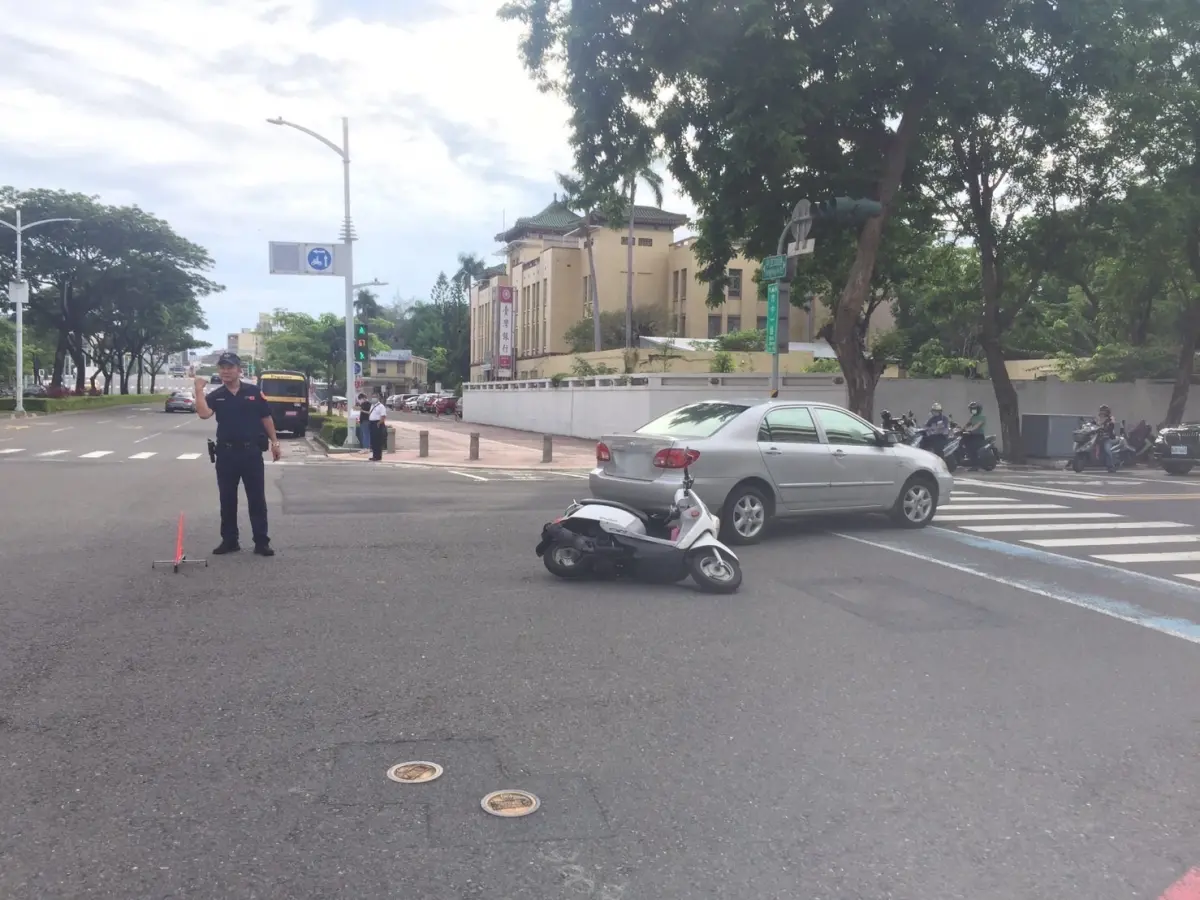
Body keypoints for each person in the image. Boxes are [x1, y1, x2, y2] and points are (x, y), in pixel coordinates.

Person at [193, 352, 281, 557]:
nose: (225, 371)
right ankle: (230, 540)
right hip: (226, 454)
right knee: (227, 499)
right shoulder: (217, 395)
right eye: (222, 367)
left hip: (251, 453)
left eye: (230, 367)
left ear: (239, 370)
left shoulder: (253, 392)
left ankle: (261, 541)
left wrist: (275, 442)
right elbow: (204, 414)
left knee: (256, 499)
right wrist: (198, 390)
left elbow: (266, 417)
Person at [960, 401, 986, 468]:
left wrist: (970, 430)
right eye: (971, 409)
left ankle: (975, 466)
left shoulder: (982, 417)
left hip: (978, 436)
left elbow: (977, 425)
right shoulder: (973, 417)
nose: (972, 410)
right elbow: (967, 424)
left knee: (973, 449)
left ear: (978, 409)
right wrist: (961, 429)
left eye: (974, 409)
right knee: (961, 442)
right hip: (972, 435)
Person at [1097, 404, 1117, 472]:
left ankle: (1111, 467)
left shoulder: (1111, 418)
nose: (1102, 412)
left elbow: (1112, 424)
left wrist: (1109, 426)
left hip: (1108, 438)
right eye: (1101, 410)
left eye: (1104, 410)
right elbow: (1093, 423)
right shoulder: (1098, 418)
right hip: (1099, 437)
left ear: (1107, 411)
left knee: (1107, 450)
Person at [368, 394, 388, 461]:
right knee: (373, 441)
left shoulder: (381, 406)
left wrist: (379, 423)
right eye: (372, 397)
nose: (373, 398)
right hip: (372, 423)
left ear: (378, 398)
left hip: (377, 423)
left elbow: (383, 416)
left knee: (377, 441)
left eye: (375, 397)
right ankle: (374, 456)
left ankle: (378, 456)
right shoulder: (372, 405)